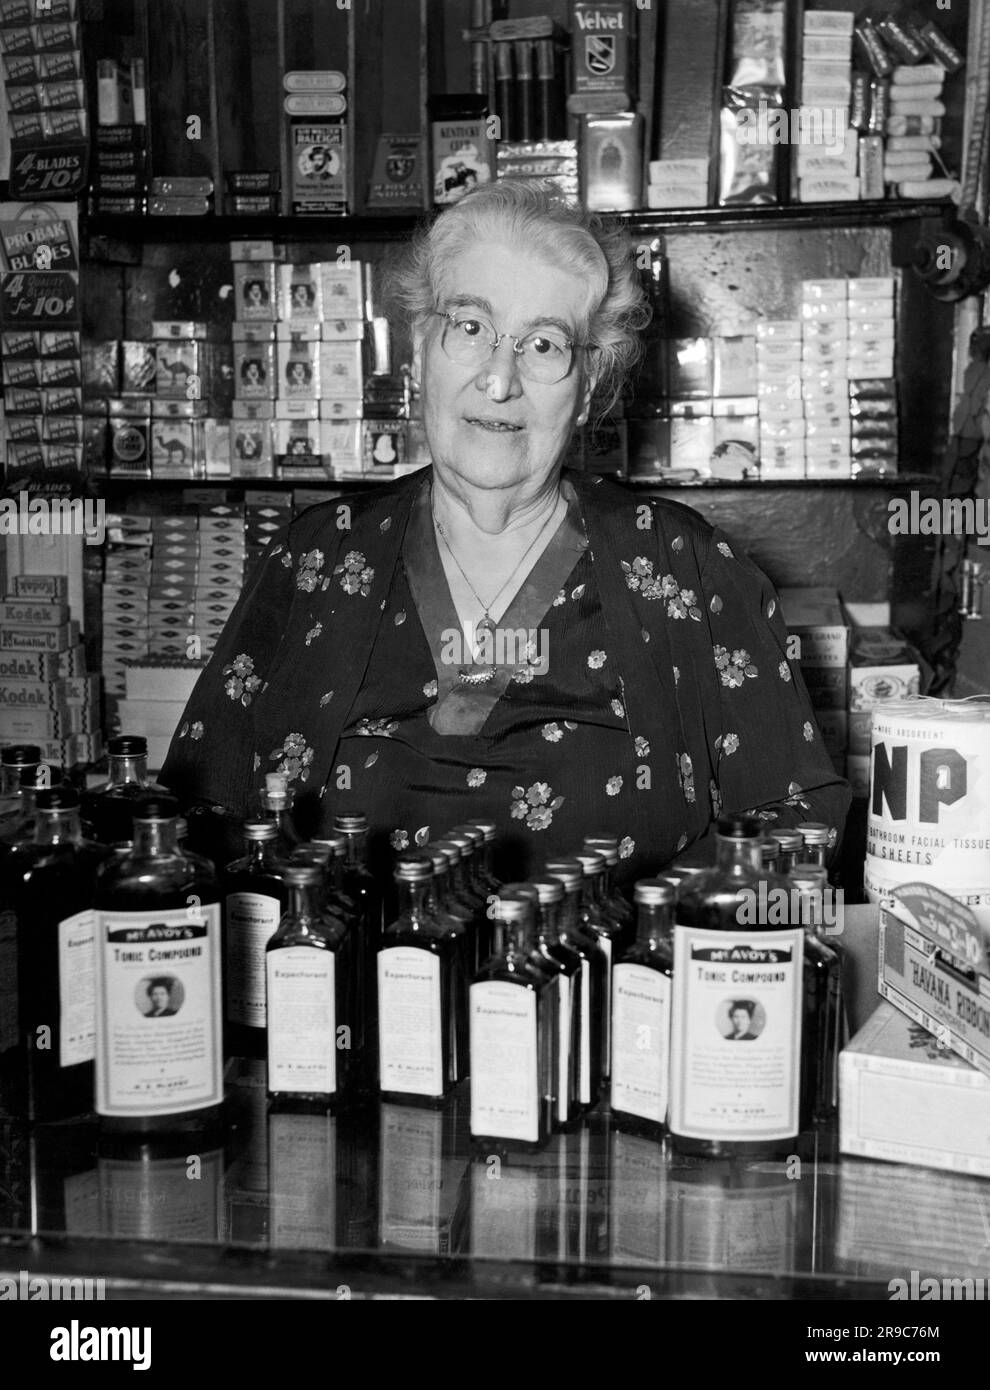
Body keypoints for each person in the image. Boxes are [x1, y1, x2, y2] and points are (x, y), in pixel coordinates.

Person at [161, 178, 850, 887]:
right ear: (418, 351)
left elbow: (792, 826)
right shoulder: (312, 559)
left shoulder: (685, 568)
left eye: (544, 345)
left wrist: (653, 949)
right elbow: (199, 827)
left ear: (586, 392)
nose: (499, 379)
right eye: (469, 327)